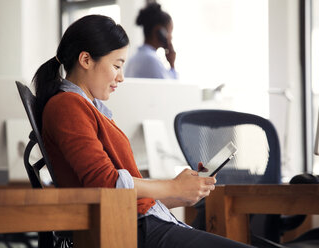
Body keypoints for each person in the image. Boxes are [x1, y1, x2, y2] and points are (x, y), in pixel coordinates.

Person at [33, 14, 254, 248]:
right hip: (129, 229)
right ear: (86, 59)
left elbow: (122, 191)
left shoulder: (87, 108)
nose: (121, 76)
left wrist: (181, 193)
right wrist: (173, 186)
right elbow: (107, 184)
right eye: (116, 65)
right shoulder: (67, 106)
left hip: (137, 223)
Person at [125, 3, 178, 79]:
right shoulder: (151, 60)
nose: (171, 37)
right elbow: (173, 88)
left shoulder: (133, 59)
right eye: (170, 32)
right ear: (160, 31)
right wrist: (172, 64)